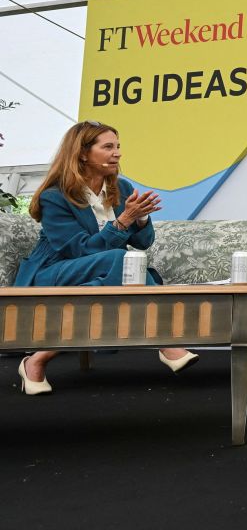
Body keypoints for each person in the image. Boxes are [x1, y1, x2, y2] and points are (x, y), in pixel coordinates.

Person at [14, 120, 199, 395]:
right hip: (53, 270)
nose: (118, 153)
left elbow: (143, 243)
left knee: (124, 266)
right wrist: (123, 222)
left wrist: (140, 218)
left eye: (118, 146)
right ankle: (165, 340)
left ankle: (38, 358)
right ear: (83, 153)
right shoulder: (55, 197)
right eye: (108, 147)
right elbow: (81, 250)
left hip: (102, 270)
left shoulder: (121, 188)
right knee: (121, 261)